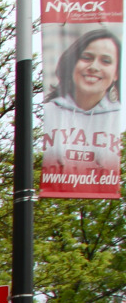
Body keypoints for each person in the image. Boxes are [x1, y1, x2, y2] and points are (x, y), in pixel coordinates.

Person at [41, 28, 121, 190]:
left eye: (105, 61)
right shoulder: (48, 111)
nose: (94, 67)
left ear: (116, 74)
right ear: (72, 64)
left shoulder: (117, 117)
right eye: (86, 57)